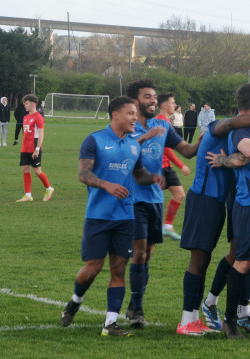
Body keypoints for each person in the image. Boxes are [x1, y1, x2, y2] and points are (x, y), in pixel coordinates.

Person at [177, 96, 250, 336]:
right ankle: (188, 319)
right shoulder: (225, 124)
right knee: (200, 258)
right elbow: (226, 127)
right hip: (205, 197)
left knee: (225, 256)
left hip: (223, 200)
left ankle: (209, 314)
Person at [59, 96, 165, 337]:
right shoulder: (94, 140)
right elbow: (83, 174)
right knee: (93, 268)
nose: (135, 119)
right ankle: (76, 300)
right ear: (115, 115)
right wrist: (106, 185)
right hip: (98, 215)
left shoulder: (134, 145)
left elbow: (138, 173)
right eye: (130, 114)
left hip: (126, 216)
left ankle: (110, 324)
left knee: (118, 268)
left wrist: (153, 178)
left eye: (135, 115)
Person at [124, 79, 200, 329]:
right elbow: (119, 152)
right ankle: (137, 309)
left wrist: (205, 138)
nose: (153, 101)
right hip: (132, 199)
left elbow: (187, 151)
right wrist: (145, 137)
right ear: (135, 101)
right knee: (138, 253)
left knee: (147, 255)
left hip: (155, 200)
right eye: (147, 97)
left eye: (154, 97)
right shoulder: (126, 126)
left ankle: (135, 303)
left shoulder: (162, 126)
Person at [156, 92, 189, 240]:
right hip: (159, 167)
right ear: (164, 105)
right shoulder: (160, 122)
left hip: (165, 167)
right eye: (173, 102)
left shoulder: (165, 121)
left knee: (179, 194)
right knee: (149, 199)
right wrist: (181, 165)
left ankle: (167, 226)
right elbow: (167, 149)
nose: (175, 105)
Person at [15, 94, 54, 203]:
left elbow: (41, 134)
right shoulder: (25, 117)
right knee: (25, 169)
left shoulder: (38, 117)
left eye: (26, 104)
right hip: (25, 147)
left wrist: (37, 149)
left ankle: (49, 189)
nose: (25, 106)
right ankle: (28, 195)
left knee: (37, 171)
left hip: (34, 147)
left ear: (32, 104)